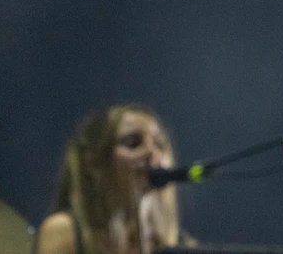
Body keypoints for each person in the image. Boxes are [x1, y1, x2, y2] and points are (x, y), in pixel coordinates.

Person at [36, 105, 188, 254]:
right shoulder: (64, 231)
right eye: (132, 143)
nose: (152, 152)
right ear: (92, 163)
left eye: (159, 143)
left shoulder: (178, 245)